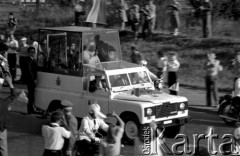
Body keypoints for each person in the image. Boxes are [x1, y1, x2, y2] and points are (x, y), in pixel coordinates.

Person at [0, 90, 27, 156]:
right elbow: (13, 96)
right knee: (3, 149)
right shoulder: (2, 103)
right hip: (1, 129)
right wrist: (10, 83)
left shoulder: (3, 103)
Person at [25, 47, 38, 114]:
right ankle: (30, 109)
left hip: (32, 80)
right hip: (30, 80)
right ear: (28, 52)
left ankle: (31, 109)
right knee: (31, 95)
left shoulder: (33, 59)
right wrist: (33, 79)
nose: (33, 53)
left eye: (34, 52)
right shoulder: (28, 60)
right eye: (31, 52)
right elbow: (29, 71)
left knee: (32, 95)